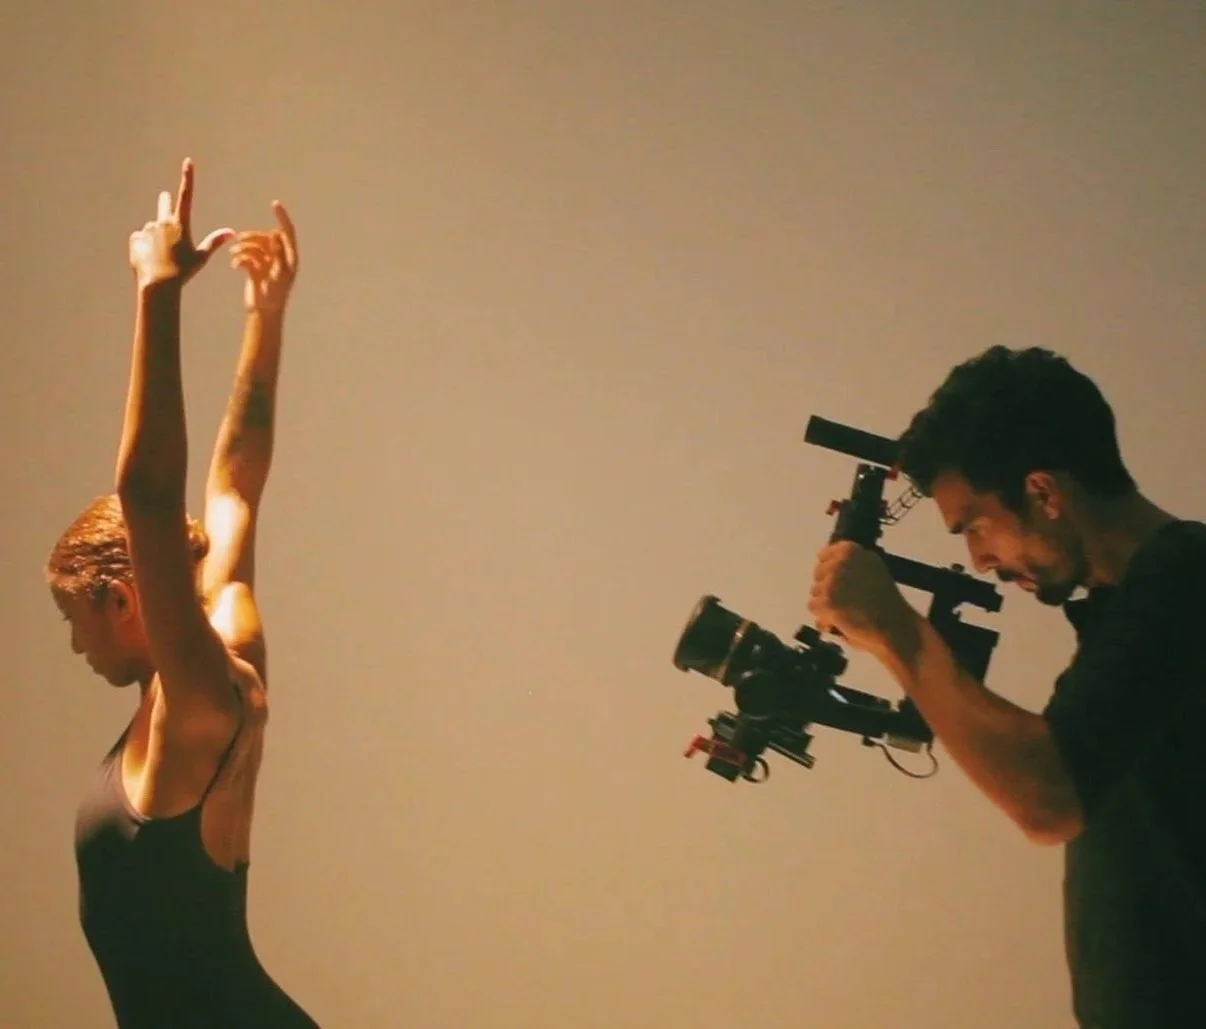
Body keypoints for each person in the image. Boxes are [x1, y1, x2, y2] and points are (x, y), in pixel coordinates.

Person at [808, 345, 1206, 1029]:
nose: (978, 559)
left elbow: (1048, 796)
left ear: (1044, 493)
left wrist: (896, 630)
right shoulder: (1135, 606)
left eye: (975, 526)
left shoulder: (1183, 580)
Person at [45, 158, 319, 1028]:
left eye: (74, 616)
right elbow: (234, 483)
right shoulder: (224, 632)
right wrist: (263, 322)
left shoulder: (194, 702)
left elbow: (153, 496)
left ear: (125, 599)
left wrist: (155, 295)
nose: (77, 644)